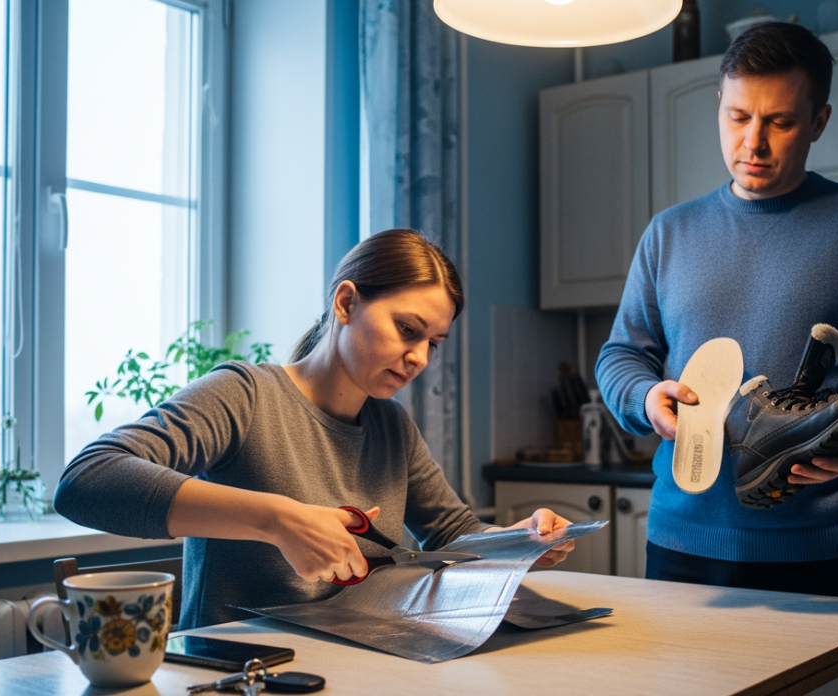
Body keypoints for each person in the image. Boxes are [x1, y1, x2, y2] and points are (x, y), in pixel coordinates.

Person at [594, 22, 838, 694]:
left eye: (780, 122)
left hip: (825, 560)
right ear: (719, 110)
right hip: (683, 554)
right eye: (737, 117)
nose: (753, 142)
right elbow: (622, 354)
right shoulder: (668, 234)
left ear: (819, 121)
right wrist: (645, 399)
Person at [56, 228, 575, 630]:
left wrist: (519, 541)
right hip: (240, 673)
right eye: (407, 329)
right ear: (346, 303)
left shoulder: (391, 425)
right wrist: (278, 520)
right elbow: (86, 480)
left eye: (433, 343)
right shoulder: (245, 394)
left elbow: (451, 534)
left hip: (356, 661)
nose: (418, 357)